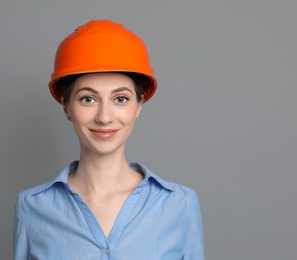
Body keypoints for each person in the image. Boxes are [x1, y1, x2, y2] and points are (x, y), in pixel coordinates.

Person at [13, 20, 205, 260]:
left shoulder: (179, 204)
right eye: (88, 99)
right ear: (66, 106)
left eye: (121, 99)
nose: (104, 117)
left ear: (138, 106)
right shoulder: (33, 206)